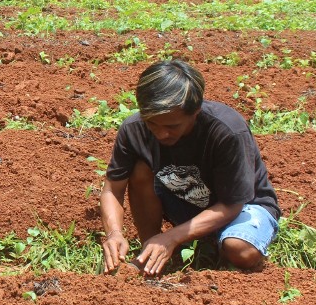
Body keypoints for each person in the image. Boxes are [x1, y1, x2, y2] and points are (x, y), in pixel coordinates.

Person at [99, 59, 280, 276]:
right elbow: (112, 190)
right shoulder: (133, 130)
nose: (161, 133)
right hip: (186, 202)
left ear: (196, 111)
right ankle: (151, 249)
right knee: (139, 170)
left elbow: (232, 204)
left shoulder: (226, 130)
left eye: (172, 126)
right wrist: (114, 234)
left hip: (242, 206)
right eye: (151, 123)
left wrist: (173, 236)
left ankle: (212, 251)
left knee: (240, 249)